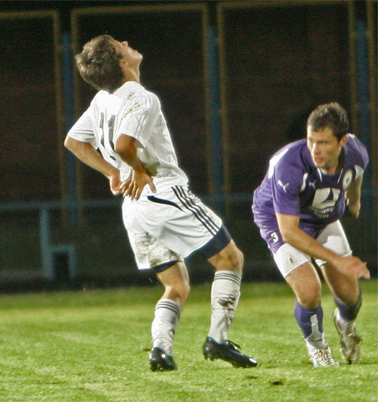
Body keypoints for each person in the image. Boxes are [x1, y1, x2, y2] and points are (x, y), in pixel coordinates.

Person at [64, 35, 257, 371]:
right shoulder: (141, 97)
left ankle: (161, 350)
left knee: (176, 283)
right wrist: (137, 169)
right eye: (121, 45)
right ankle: (218, 339)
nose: (127, 43)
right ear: (122, 62)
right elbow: (124, 145)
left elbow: (73, 142)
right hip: (162, 191)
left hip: (133, 207)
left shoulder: (101, 101)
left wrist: (113, 173)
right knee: (230, 258)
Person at [252, 102, 370, 367]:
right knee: (309, 290)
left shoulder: (356, 152)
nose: (315, 149)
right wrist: (337, 260)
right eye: (311, 140)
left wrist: (354, 199)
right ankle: (318, 348)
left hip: (323, 216)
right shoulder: (289, 165)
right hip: (280, 221)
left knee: (350, 297)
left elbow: (356, 174)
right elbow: (290, 232)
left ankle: (345, 324)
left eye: (323, 143)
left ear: (342, 141)